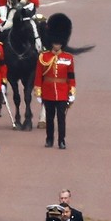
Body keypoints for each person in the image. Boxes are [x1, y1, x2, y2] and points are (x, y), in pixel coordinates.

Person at [35, 13, 76, 149]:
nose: (57, 45)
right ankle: (49, 139)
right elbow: (39, 76)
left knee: (61, 119)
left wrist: (72, 92)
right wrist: (38, 92)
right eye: (55, 43)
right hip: (48, 91)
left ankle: (62, 140)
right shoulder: (44, 57)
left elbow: (71, 77)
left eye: (59, 43)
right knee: (50, 118)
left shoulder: (68, 58)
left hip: (63, 92)